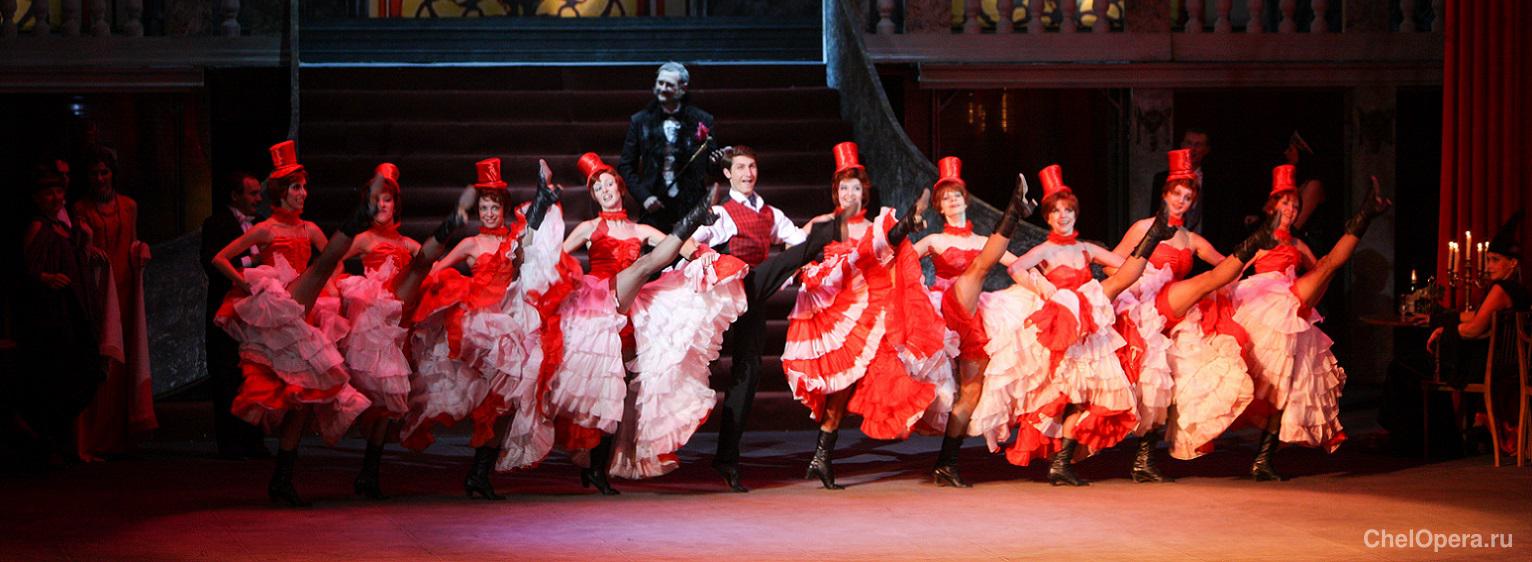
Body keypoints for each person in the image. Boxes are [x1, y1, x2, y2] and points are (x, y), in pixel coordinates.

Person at [549, 153, 749, 492]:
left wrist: (705, 258)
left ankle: (599, 466)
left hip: (631, 310)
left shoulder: (639, 229)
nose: (605, 190)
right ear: (594, 196)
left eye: (609, 184)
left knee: (618, 389)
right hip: (599, 301)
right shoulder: (589, 228)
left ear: (619, 187)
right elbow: (558, 259)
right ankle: (595, 468)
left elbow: (681, 249)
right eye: (598, 188)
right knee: (645, 267)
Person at [211, 140, 376, 506]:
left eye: (304, 187)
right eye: (297, 188)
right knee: (291, 395)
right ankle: (281, 478)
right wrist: (247, 284)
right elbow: (220, 258)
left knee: (302, 400)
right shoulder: (266, 229)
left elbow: (333, 263)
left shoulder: (309, 229)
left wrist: (332, 289)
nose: (303, 193)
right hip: (281, 314)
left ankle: (282, 479)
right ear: (282, 192)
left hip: (306, 313)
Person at [403, 157, 574, 500]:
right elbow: (437, 270)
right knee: (487, 397)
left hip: (508, 323)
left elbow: (528, 245)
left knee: (503, 402)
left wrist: (541, 204)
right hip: (479, 325)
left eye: (494, 206)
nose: (489, 213)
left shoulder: (510, 240)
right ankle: (476, 473)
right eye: (483, 207)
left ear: (503, 208)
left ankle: (479, 474)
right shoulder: (470, 244)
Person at [1110, 148, 1287, 479]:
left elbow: (1227, 269)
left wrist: (1263, 263)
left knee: (1169, 381)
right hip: (1147, 305)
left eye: (1187, 197)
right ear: (1165, 194)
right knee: (1153, 375)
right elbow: (1113, 264)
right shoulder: (1142, 227)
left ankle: (1144, 460)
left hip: (1177, 311)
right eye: (1176, 194)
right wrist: (1136, 284)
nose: (1181, 201)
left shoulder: (1190, 238)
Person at [997, 164, 1174, 486]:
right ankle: (1060, 463)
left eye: (1068, 210)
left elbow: (1123, 268)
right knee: (1067, 396)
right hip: (1062, 328)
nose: (1063, 216)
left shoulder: (1086, 249)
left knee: (1085, 398)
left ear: (1075, 214)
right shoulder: (1045, 249)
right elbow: (1016, 268)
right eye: (1056, 211)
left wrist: (1152, 270)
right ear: (1048, 217)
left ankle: (1062, 462)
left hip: (1089, 329)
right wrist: (1046, 290)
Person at [781, 142, 941, 490]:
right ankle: (822, 455)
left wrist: (908, 225)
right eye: (844, 188)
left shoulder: (872, 226)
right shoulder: (823, 223)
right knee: (839, 385)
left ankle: (822, 456)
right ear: (835, 191)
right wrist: (806, 272)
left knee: (879, 375)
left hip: (868, 314)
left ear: (864, 192)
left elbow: (889, 250)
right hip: (833, 314)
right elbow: (793, 254)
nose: (850, 194)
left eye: (855, 187)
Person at [687, 146, 845, 492]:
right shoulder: (721, 212)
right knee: (777, 263)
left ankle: (727, 459)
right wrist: (709, 259)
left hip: (754, 298)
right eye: (741, 167)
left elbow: (797, 242)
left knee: (748, 375)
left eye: (752, 167)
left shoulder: (771, 213)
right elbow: (691, 242)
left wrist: (820, 249)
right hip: (725, 295)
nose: (748, 173)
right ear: (727, 174)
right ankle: (834, 226)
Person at [1231, 165, 1391, 480]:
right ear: (1272, 206)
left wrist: (1310, 303)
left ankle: (1263, 458)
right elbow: (1232, 272)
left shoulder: (1298, 244)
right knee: (1267, 383)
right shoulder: (1260, 240)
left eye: (1295, 205)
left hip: (1292, 308)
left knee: (1288, 384)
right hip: (1264, 307)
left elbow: (1323, 272)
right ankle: (1260, 455)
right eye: (1286, 203)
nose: (1292, 210)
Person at [332, 163, 421, 499]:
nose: (382, 205)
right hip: (370, 324)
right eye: (376, 199)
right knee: (372, 390)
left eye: (387, 199)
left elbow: (431, 265)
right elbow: (334, 260)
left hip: (396, 324)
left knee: (389, 398)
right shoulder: (365, 238)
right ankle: (365, 469)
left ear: (395, 204)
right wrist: (340, 290)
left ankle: (370, 472)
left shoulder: (407, 243)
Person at [16, 159, 108, 467]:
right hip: (51, 315)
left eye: (58, 192)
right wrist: (45, 277)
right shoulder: (38, 227)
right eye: (49, 193)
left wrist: (86, 240)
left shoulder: (62, 227)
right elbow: (25, 271)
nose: (56, 198)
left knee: (75, 373)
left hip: (69, 311)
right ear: (37, 198)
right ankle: (49, 447)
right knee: (54, 377)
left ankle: (63, 445)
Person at [71, 146, 156, 461]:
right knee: (104, 356)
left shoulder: (129, 206)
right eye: (94, 173)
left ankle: (120, 435)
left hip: (125, 287)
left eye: (104, 172)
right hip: (99, 289)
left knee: (123, 360)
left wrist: (140, 249)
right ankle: (96, 436)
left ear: (112, 174)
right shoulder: (80, 208)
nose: (100, 178)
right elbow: (78, 250)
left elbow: (133, 240)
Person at [1427, 212, 1528, 455]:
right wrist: (1445, 318)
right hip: (1510, 365)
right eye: (1489, 260)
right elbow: (1479, 315)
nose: (1489, 266)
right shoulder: (1519, 290)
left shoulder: (1501, 289)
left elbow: (1475, 328)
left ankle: (1435, 440)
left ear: (1512, 263)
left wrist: (1445, 331)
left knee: (1409, 367)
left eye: (1495, 260)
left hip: (1489, 367)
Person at [200, 171, 269, 460]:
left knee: (252, 373)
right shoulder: (216, 224)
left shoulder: (260, 224)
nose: (258, 199)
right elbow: (212, 261)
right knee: (227, 373)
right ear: (235, 196)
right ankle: (231, 443)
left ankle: (254, 440)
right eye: (252, 193)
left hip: (255, 311)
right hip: (227, 310)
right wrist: (252, 261)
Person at [619, 62, 717, 232]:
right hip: (655, 207)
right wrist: (644, 197)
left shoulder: (702, 120)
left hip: (691, 206)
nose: (662, 88)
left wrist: (718, 159)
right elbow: (626, 165)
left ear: (683, 88)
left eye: (669, 85)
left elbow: (711, 166)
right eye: (660, 83)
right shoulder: (640, 121)